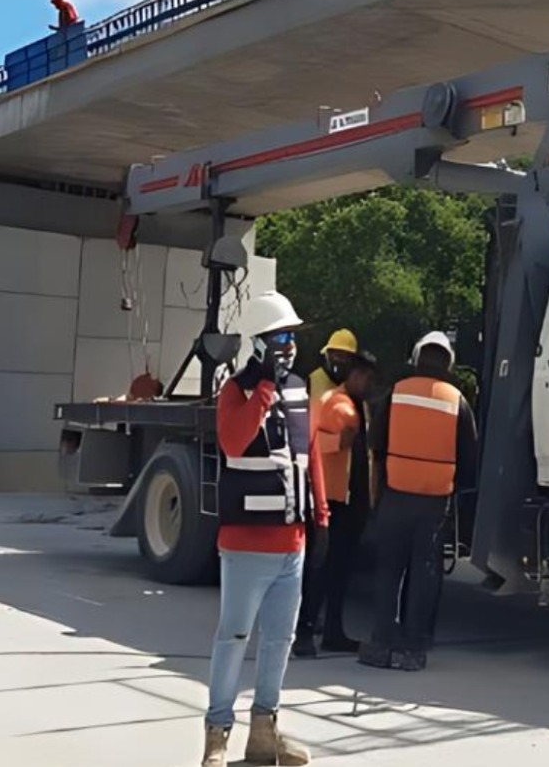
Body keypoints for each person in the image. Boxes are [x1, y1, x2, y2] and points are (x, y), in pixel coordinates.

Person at [203, 290, 325, 767]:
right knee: (233, 636)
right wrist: (262, 392)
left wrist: (321, 521)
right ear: (257, 343)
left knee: (280, 641)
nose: (289, 346)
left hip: (290, 543)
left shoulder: (299, 388)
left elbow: (307, 453)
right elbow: (234, 441)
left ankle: (264, 733)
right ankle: (217, 736)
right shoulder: (236, 391)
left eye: (292, 336)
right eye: (279, 337)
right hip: (245, 544)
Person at [359, 330, 478, 672]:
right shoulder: (457, 400)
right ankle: (413, 647)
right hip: (434, 503)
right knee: (424, 573)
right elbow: (469, 456)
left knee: (388, 571)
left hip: (396, 496)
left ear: (416, 357)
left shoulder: (396, 393)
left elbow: (376, 444)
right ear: (448, 362)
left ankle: (382, 642)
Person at [293, 348, 378, 658]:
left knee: (340, 571)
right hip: (331, 501)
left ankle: (333, 632)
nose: (369, 383)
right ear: (353, 376)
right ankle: (304, 632)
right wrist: (337, 441)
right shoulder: (336, 404)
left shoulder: (360, 406)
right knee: (320, 569)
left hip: (351, 502)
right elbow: (311, 443)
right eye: (366, 377)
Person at [307, 328, 358, 405]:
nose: (336, 359)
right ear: (327, 354)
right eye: (332, 353)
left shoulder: (359, 383)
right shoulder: (314, 379)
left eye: (342, 355)